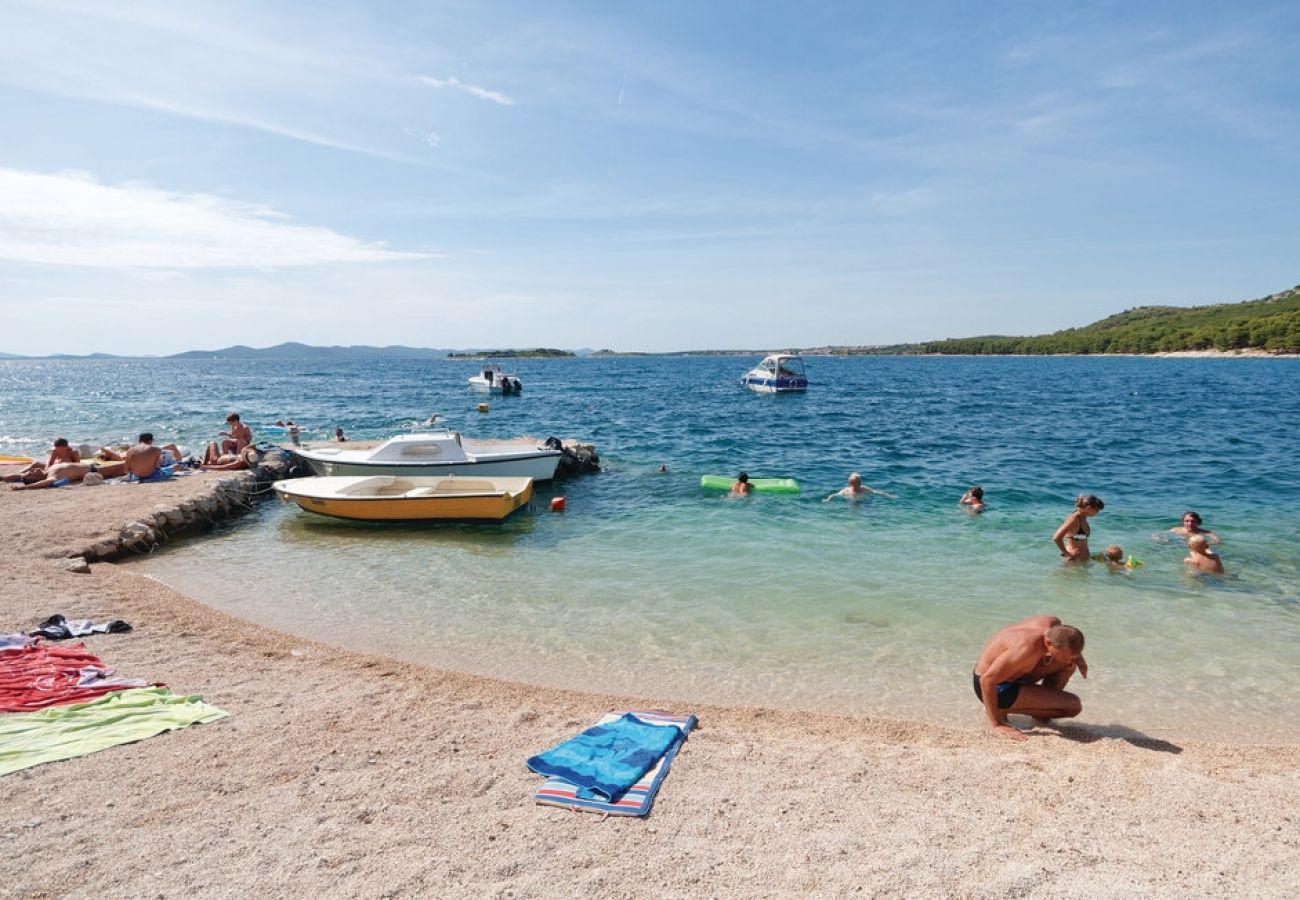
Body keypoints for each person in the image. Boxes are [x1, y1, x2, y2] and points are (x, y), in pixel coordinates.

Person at [973, 614, 1087, 742]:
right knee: (1073, 706)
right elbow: (987, 680)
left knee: (1068, 666)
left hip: (1013, 674)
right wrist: (997, 724)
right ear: (1049, 643)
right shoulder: (1024, 649)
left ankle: (1040, 709)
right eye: (1067, 655)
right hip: (997, 687)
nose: (1070, 659)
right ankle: (1000, 709)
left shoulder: (1052, 624)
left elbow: (1066, 638)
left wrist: (1077, 657)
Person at [1053, 494, 1104, 563]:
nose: (1098, 512)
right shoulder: (1074, 519)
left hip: (1082, 561)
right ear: (1088, 508)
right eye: (1097, 509)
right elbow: (1056, 538)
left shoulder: (1083, 518)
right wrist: (1068, 554)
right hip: (1073, 562)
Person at [825, 472, 895, 501]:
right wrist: (828, 499)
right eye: (855, 485)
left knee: (868, 505)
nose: (857, 486)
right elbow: (835, 495)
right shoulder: (846, 491)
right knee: (853, 509)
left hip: (864, 500)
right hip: (853, 501)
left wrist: (888, 495)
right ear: (850, 484)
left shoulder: (864, 489)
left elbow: (876, 492)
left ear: (860, 483)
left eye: (858, 484)